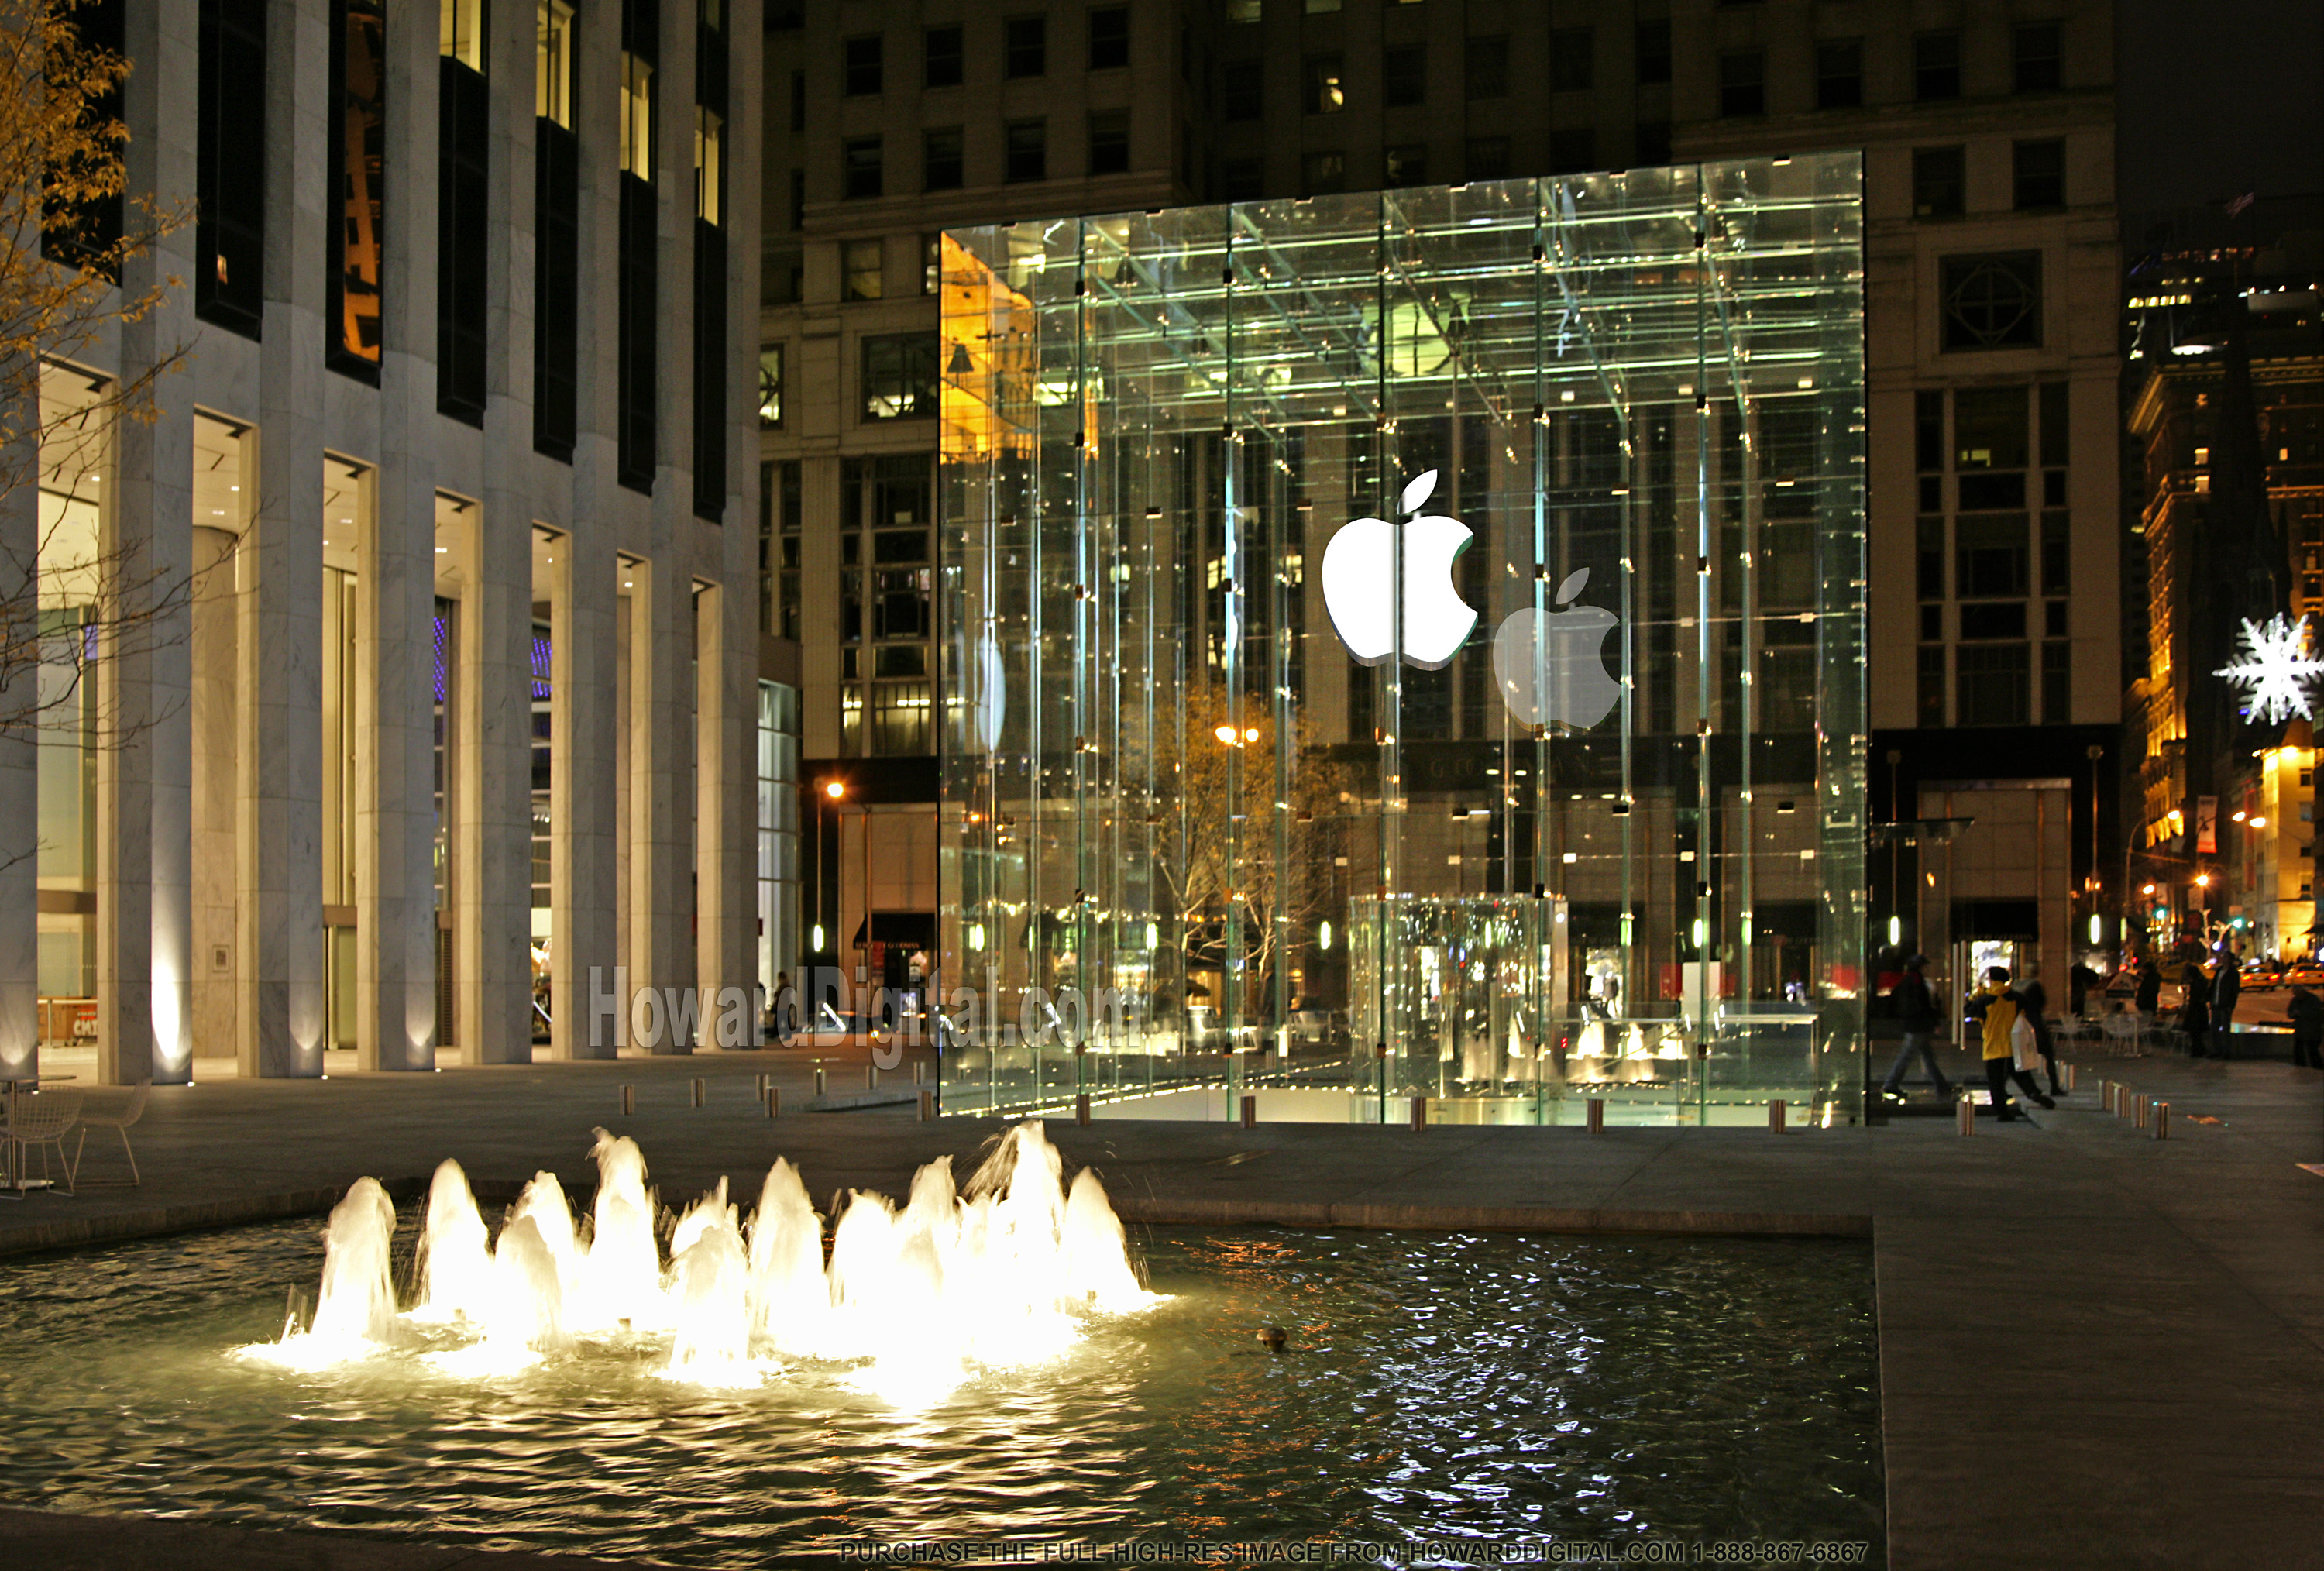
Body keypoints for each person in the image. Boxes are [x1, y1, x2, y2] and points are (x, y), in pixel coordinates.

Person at [1968, 966, 2054, 1120]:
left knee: (1996, 1081)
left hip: (1993, 1046)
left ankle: (2003, 1112)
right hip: (2014, 1044)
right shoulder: (2016, 997)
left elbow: (1968, 1011)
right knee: (2021, 1073)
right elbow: (2029, 1010)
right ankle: (2033, 1092)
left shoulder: (1985, 999)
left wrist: (1976, 996)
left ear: (1992, 980)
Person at [1879, 954, 1952, 1102]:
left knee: (1927, 1056)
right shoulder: (1917, 980)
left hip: (1913, 1023)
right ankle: (1891, 1084)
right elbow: (1923, 1004)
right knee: (1909, 1054)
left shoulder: (1907, 979)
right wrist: (1934, 1022)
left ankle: (1941, 1084)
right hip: (1918, 1024)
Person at [2016, 964, 2066, 1098]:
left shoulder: (2018, 985)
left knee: (2015, 1058)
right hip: (2035, 1024)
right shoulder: (2034, 986)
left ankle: (2004, 1089)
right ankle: (2054, 1087)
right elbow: (2041, 1003)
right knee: (2048, 1055)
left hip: (2021, 1024)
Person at [2209, 953, 2241, 1059]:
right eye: (2223, 957)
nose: (2223, 959)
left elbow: (2234, 991)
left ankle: (2226, 1052)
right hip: (2216, 1004)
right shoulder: (2219, 971)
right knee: (2214, 1029)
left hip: (2225, 1005)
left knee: (2225, 1030)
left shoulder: (2233, 973)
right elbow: (2214, 986)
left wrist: (2231, 1006)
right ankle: (2216, 1050)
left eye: (2225, 957)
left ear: (2230, 960)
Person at [2287, 985, 2324, 1071]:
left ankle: (2317, 1068)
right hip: (2301, 1030)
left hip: (2313, 1030)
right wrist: (2294, 1014)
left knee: (2313, 1051)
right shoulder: (2295, 1000)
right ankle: (2300, 1067)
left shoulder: (2313, 999)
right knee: (2298, 1050)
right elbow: (2290, 1013)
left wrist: (2302, 1013)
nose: (2297, 995)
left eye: (2298, 993)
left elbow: (2316, 1013)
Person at [2181, 961, 2212, 1058]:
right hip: (2199, 1009)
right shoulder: (2201, 981)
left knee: (2195, 1033)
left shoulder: (2197, 983)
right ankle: (2199, 1050)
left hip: (2196, 1010)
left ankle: (2198, 1050)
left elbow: (2196, 997)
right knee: (2197, 1033)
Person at [2134, 960, 2161, 1024]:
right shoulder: (2154, 979)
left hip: (2145, 1007)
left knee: (2144, 1023)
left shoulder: (2148, 980)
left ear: (2147, 970)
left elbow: (2145, 993)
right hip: (2151, 1006)